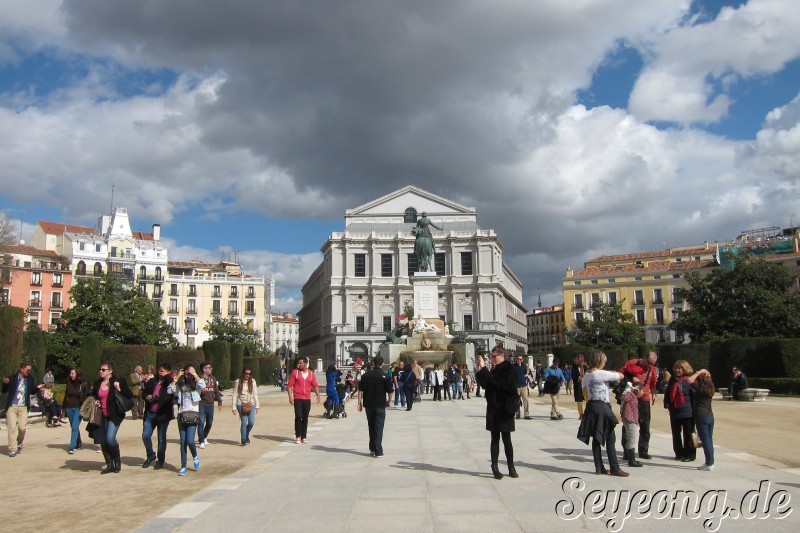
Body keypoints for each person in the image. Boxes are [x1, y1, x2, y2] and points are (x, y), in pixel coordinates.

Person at [577, 351, 628, 477]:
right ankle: (614, 467)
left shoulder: (587, 375)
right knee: (610, 438)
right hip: (602, 406)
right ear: (600, 361)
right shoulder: (600, 374)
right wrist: (614, 373)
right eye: (604, 361)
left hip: (591, 406)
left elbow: (584, 388)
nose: (605, 364)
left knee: (596, 438)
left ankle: (599, 467)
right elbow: (620, 376)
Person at [475, 346, 519, 479]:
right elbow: (485, 385)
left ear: (502, 356)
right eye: (491, 357)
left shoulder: (508, 368)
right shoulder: (494, 369)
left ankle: (511, 467)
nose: (492, 359)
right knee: (495, 438)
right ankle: (494, 467)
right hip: (494, 408)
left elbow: (497, 385)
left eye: (494, 357)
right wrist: (480, 370)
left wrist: (484, 370)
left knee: (506, 439)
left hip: (505, 408)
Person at [92, 361, 133, 473]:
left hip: (115, 414)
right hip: (102, 414)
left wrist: (119, 388)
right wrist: (96, 401)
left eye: (103, 370)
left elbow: (129, 395)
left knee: (110, 438)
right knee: (103, 441)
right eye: (100, 369)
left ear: (110, 371)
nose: (100, 371)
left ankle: (117, 462)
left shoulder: (118, 381)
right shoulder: (97, 383)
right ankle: (109, 465)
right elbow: (94, 395)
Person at [620, 351, 659, 460]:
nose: (650, 366)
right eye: (649, 363)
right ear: (644, 358)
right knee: (628, 424)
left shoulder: (652, 370)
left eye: (653, 364)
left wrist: (653, 393)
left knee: (645, 425)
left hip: (644, 398)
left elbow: (653, 383)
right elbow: (622, 375)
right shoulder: (632, 363)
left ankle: (643, 450)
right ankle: (627, 451)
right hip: (632, 397)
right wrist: (631, 379)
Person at [3, 362, 45, 457]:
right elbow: (4, 390)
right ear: (22, 369)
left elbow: (32, 391)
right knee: (12, 428)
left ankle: (19, 441)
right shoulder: (12, 378)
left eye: (30, 369)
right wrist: (5, 383)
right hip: (12, 406)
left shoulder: (30, 379)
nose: (29, 371)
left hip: (23, 407)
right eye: (27, 369)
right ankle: (12, 449)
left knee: (22, 428)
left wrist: (38, 387)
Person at [168, 364, 204, 476]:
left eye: (189, 372)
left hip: (193, 414)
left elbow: (202, 385)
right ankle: (183, 466)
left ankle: (195, 456)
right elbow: (169, 390)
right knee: (183, 442)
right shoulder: (180, 384)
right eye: (186, 372)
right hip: (182, 415)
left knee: (190, 440)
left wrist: (194, 374)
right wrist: (177, 377)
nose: (187, 374)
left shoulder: (196, 384)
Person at [663, 359, 701, 463]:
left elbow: (695, 397)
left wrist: (695, 412)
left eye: (680, 368)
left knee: (689, 434)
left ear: (685, 369)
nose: (677, 370)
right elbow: (668, 393)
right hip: (675, 411)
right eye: (676, 368)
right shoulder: (673, 380)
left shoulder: (690, 380)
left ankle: (690, 454)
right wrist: (667, 404)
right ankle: (679, 453)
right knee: (676, 434)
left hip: (688, 411)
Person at [357, 355, 393, 457]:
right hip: (380, 404)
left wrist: (359, 403)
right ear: (382, 364)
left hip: (368, 405)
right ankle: (378, 450)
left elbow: (360, 390)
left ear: (373, 363)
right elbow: (390, 392)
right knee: (379, 426)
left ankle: (372, 447)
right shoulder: (385, 376)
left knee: (371, 426)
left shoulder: (365, 376)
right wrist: (389, 401)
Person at [142, 363, 175, 469]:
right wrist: (147, 396)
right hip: (151, 413)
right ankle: (151, 455)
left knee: (161, 439)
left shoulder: (170, 382)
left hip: (163, 414)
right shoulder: (153, 381)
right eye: (160, 369)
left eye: (164, 370)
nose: (161, 371)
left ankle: (160, 460)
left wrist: (167, 376)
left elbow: (171, 386)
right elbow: (143, 393)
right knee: (145, 436)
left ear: (169, 372)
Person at [287, 357, 320, 444]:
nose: (299, 365)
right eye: (298, 363)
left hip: (307, 398)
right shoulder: (295, 372)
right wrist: (290, 397)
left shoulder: (311, 374)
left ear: (305, 363)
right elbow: (290, 385)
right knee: (298, 416)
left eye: (300, 363)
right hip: (298, 397)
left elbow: (315, 385)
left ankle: (303, 436)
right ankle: (298, 436)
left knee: (305, 418)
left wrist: (318, 395)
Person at [61, 368, 89, 453]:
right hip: (69, 407)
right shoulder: (69, 383)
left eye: (72, 373)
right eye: (70, 373)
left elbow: (88, 396)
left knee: (74, 427)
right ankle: (79, 442)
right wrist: (63, 407)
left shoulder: (84, 384)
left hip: (78, 408)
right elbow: (66, 395)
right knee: (74, 426)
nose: (71, 375)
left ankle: (71, 447)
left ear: (77, 374)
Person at [693, 369, 715, 471]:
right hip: (710, 416)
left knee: (705, 440)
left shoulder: (699, 388)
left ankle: (709, 463)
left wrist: (698, 372)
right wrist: (707, 375)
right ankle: (710, 461)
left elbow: (689, 380)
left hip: (701, 416)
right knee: (709, 440)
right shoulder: (711, 388)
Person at [198, 362, 223, 448]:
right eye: (209, 367)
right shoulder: (199, 378)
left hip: (210, 404)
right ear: (204, 369)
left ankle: (204, 436)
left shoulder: (213, 379)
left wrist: (219, 401)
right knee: (201, 422)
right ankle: (201, 440)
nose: (211, 369)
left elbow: (216, 391)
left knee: (209, 422)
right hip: (201, 403)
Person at [232, 367, 260, 446]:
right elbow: (235, 394)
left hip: (251, 403)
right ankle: (243, 439)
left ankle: (246, 433)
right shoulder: (238, 382)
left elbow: (255, 394)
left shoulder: (253, 381)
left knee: (251, 422)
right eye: (246, 373)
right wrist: (233, 407)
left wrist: (257, 405)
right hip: (240, 403)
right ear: (243, 373)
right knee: (244, 422)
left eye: (249, 374)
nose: (247, 375)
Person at [620, 382, 643, 468]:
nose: (643, 393)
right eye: (642, 391)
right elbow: (624, 397)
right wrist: (630, 388)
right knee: (631, 439)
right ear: (638, 390)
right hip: (630, 419)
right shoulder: (630, 395)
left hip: (632, 419)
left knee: (631, 438)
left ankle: (631, 458)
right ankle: (631, 460)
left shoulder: (634, 397)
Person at [513, 355, 531, 419]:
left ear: (522, 360)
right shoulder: (513, 366)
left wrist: (528, 368)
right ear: (516, 359)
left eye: (520, 359)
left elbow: (528, 374)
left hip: (524, 386)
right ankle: (517, 414)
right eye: (518, 359)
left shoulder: (524, 366)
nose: (519, 360)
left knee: (526, 400)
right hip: (516, 386)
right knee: (517, 401)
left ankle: (526, 414)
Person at [572, 354, 587, 420]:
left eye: (581, 360)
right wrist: (578, 378)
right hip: (578, 386)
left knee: (588, 400)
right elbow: (573, 376)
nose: (580, 362)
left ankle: (587, 413)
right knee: (579, 401)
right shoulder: (574, 368)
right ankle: (581, 414)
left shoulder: (585, 367)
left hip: (585, 386)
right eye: (579, 360)